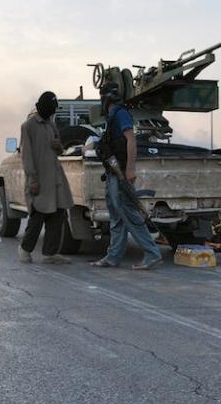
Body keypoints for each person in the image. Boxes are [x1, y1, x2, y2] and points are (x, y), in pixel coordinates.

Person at [91, 82, 163, 270]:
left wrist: (130, 169)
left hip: (121, 172)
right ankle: (113, 257)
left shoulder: (121, 114)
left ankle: (152, 253)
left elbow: (131, 140)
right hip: (112, 172)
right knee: (116, 216)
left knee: (129, 214)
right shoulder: (112, 116)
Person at [18, 92, 74, 265]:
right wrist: (32, 179)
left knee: (58, 215)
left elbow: (59, 149)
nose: (52, 112)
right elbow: (26, 155)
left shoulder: (51, 124)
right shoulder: (28, 126)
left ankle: (50, 253)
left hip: (56, 178)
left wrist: (59, 148)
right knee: (38, 215)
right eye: (51, 108)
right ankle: (25, 250)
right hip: (39, 179)